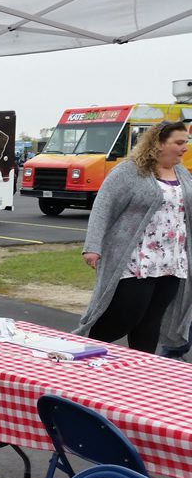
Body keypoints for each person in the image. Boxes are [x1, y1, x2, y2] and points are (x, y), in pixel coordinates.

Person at [77, 121, 192, 354]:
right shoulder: (130, 171)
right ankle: (86, 352)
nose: (185, 148)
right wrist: (93, 247)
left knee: (151, 320)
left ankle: (143, 369)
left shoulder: (181, 173)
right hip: (136, 260)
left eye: (186, 143)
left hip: (172, 261)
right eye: (179, 142)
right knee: (126, 316)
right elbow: (103, 208)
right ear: (159, 143)